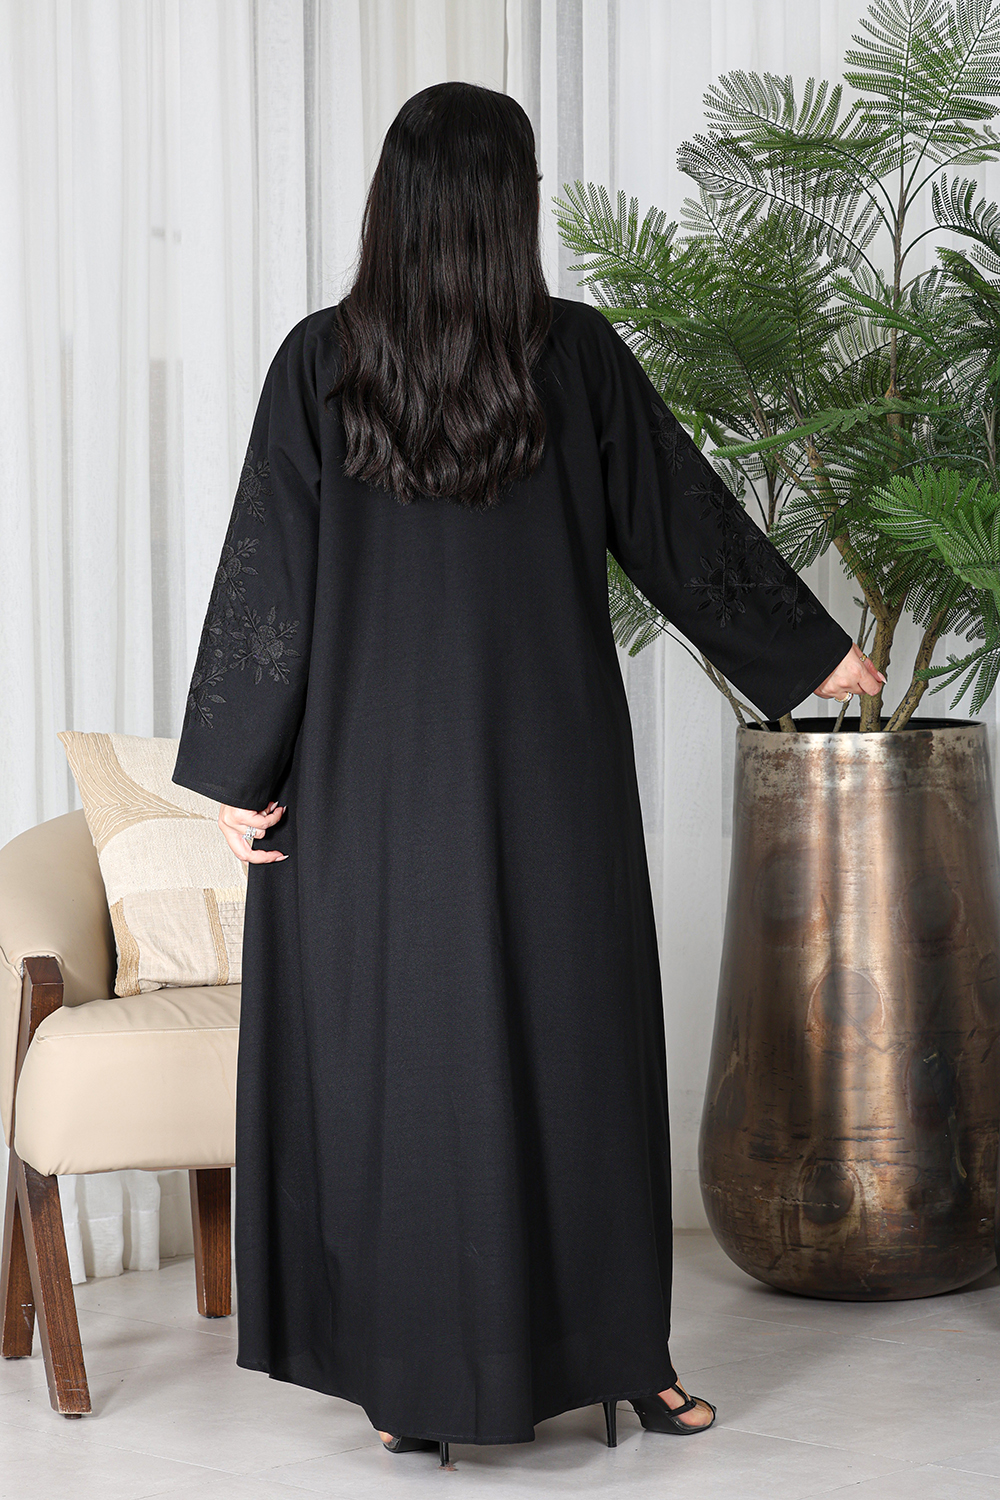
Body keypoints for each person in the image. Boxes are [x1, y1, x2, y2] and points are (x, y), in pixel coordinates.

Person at [170, 81, 882, 1464]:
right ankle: (509, 1370)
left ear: (394, 204)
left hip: (387, 798)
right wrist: (816, 654)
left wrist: (247, 774)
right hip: (525, 785)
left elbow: (270, 587)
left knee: (454, 1068)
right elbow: (683, 531)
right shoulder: (409, 364)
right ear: (510, 209)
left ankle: (541, 1365)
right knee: (553, 1062)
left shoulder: (453, 360)